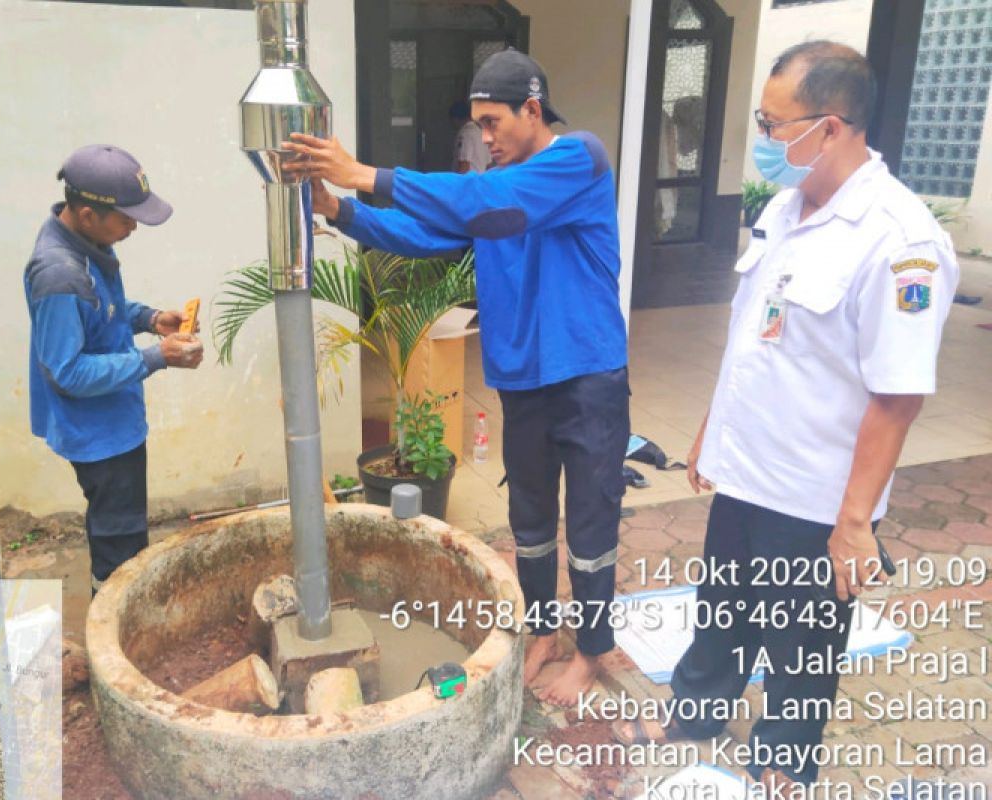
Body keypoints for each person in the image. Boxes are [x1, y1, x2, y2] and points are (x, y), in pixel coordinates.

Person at [612, 42, 958, 791]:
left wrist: (856, 522)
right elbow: (752, 334)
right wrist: (711, 432)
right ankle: (697, 710)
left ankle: (784, 755)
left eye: (775, 125)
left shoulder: (900, 243)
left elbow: (897, 395)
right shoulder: (783, 208)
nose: (765, 140)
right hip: (749, 468)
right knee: (723, 605)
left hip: (817, 491)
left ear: (832, 128)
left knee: (802, 635)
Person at [286, 49, 629, 707]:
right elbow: (429, 233)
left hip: (588, 380)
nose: (487, 137)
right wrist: (341, 208)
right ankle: (543, 633)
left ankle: (590, 651)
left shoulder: (578, 159)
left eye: (495, 122)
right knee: (529, 517)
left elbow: (490, 203)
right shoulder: (494, 196)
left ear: (534, 109)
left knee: (590, 524)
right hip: (522, 379)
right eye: (479, 125)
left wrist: (364, 172)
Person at [23, 144, 204, 596]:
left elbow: (102, 311)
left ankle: (123, 605)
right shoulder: (60, 274)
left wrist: (147, 319)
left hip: (113, 420)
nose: (133, 227)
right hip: (98, 435)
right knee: (118, 541)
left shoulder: (86, 246)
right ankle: (114, 621)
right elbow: (67, 372)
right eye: (127, 218)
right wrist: (156, 356)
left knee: (124, 529)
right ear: (87, 214)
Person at [450, 100, 493, 174]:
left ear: (455, 119)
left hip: (469, 182)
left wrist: (460, 184)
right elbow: (488, 165)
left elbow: (464, 165)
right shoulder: (481, 132)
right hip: (481, 181)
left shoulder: (466, 133)